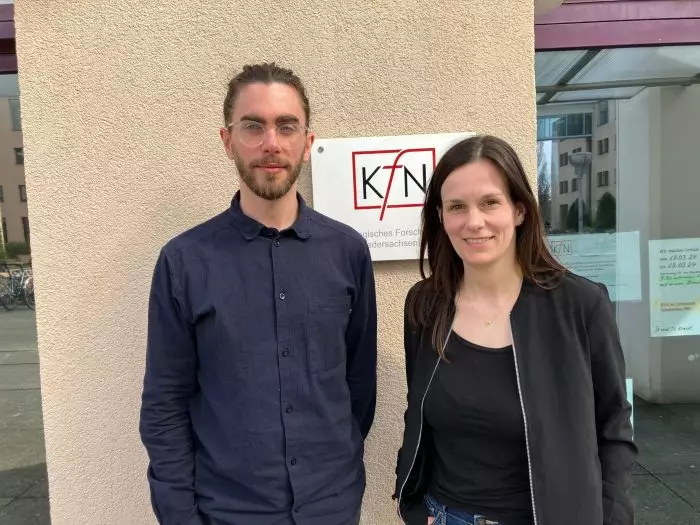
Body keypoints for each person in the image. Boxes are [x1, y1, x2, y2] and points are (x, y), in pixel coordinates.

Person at [140, 63, 377, 525]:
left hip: (331, 508)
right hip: (228, 512)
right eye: (253, 126)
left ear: (307, 142)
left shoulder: (348, 252)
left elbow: (358, 387)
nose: (272, 143)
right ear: (227, 141)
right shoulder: (184, 262)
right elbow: (164, 405)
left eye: (287, 126)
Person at [393, 135, 637, 525]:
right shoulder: (425, 305)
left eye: (490, 202)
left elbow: (614, 429)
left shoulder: (579, 305)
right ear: (441, 216)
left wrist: (611, 516)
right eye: (457, 206)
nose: (474, 221)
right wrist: (412, 505)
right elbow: (418, 411)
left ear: (519, 210)